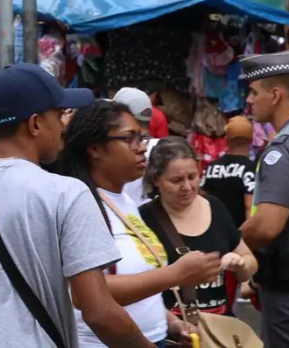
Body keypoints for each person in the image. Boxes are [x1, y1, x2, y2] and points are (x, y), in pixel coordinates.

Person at [0, 64, 150, 347]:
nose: (64, 125)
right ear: (35, 124)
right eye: (59, 114)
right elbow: (99, 312)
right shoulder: (66, 194)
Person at [61, 101, 208, 347]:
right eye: (130, 139)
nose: (141, 148)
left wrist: (169, 322)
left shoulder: (125, 201)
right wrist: (175, 274)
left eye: (142, 138)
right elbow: (89, 293)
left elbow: (140, 280)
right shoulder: (81, 204)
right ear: (95, 149)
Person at [138, 138, 257, 317]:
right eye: (176, 180)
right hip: (172, 334)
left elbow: (250, 261)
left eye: (192, 177)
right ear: (156, 180)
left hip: (219, 331)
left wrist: (240, 265)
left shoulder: (215, 207)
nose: (187, 187)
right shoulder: (143, 219)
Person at [238, 51, 289, 346]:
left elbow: (266, 226)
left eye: (253, 91)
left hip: (288, 292)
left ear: (275, 95)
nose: (248, 100)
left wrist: (229, 245)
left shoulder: (282, 150)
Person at [201, 115, 256, 229]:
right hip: (237, 236)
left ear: (226, 138)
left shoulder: (211, 168)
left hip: (213, 232)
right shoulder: (250, 169)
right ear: (251, 139)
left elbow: (199, 198)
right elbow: (249, 207)